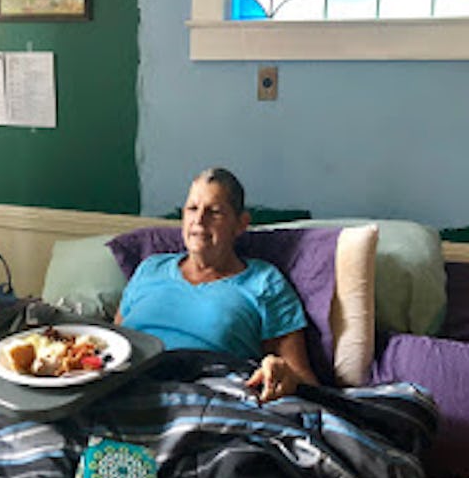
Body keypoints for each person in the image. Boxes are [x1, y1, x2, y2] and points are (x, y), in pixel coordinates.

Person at [115, 167, 318, 402]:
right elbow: (110, 345)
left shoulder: (264, 282)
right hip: (126, 391)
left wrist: (282, 373)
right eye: (192, 208)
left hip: (209, 401)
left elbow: (306, 382)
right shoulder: (149, 269)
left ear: (240, 224)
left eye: (215, 212)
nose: (199, 220)